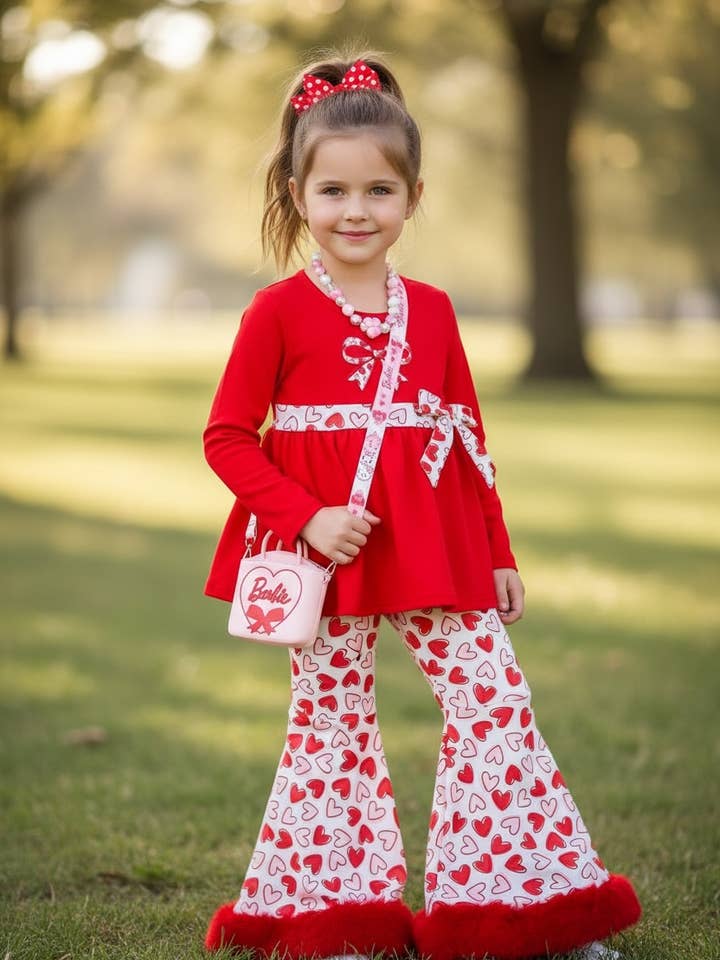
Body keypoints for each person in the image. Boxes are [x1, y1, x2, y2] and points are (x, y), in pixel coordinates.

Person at [201, 51, 642, 960]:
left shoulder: (435, 314)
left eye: (378, 191)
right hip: (327, 552)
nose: (355, 211)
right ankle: (336, 922)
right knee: (330, 721)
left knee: (493, 700)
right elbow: (227, 437)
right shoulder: (276, 314)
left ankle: (518, 911)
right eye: (332, 191)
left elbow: (471, 445)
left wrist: (500, 551)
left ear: (413, 196)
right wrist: (304, 515)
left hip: (437, 548)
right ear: (297, 192)